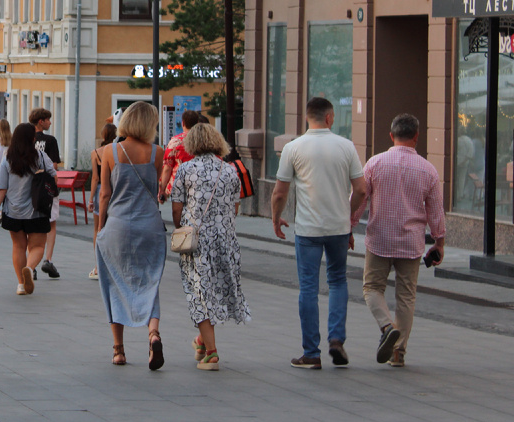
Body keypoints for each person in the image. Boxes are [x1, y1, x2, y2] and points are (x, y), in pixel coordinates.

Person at [272, 97, 367, 370]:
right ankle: (336, 339)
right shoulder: (346, 146)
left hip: (308, 229)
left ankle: (311, 353)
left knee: (308, 288)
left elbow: (280, 192)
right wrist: (348, 216)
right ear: (329, 117)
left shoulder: (293, 148)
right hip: (338, 228)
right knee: (337, 281)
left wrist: (276, 218)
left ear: (307, 117)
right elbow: (361, 190)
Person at [351, 113, 446, 368]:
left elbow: (360, 198)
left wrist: (349, 227)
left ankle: (386, 326)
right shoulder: (428, 170)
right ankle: (398, 352)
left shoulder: (375, 163)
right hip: (410, 243)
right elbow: (436, 211)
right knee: (406, 296)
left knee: (372, 288)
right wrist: (439, 242)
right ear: (417, 137)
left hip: (379, 239)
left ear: (391, 136)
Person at [170, 123, 249, 371]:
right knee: (215, 290)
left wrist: (181, 228)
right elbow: (235, 207)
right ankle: (202, 342)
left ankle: (212, 354)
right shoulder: (230, 171)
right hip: (226, 241)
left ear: (191, 143)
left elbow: (176, 207)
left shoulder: (185, 169)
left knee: (199, 293)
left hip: (197, 243)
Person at [96, 101, 168, 370]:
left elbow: (105, 194)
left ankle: (118, 349)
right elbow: (157, 189)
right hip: (150, 225)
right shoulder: (157, 153)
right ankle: (153, 333)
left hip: (118, 224)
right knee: (150, 281)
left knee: (113, 281)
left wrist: (100, 228)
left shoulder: (110, 151)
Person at [0, 122, 55, 296]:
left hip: (13, 210)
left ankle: (20, 284)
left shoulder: (8, 158)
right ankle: (29, 268)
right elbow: (54, 176)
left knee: (18, 246)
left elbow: (1, 188)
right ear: (32, 139)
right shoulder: (40, 157)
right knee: (38, 247)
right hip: (37, 210)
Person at [31, 108, 63, 279]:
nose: (50, 122)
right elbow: (54, 166)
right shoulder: (50, 140)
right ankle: (47, 259)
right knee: (51, 224)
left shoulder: (27, 139)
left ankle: (31, 264)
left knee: (31, 225)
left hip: (31, 187)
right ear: (41, 121)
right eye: (48, 120)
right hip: (48, 187)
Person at [88, 124, 118, 280]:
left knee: (97, 229)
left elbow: (95, 178)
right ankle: (113, 264)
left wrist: (91, 198)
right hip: (115, 189)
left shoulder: (96, 153)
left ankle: (98, 265)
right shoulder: (117, 150)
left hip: (101, 190)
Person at [159, 110, 206, 203]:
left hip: (178, 185)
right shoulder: (205, 141)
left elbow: (167, 167)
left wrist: (162, 189)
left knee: (178, 210)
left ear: (183, 123)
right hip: (200, 183)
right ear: (197, 123)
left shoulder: (175, 142)